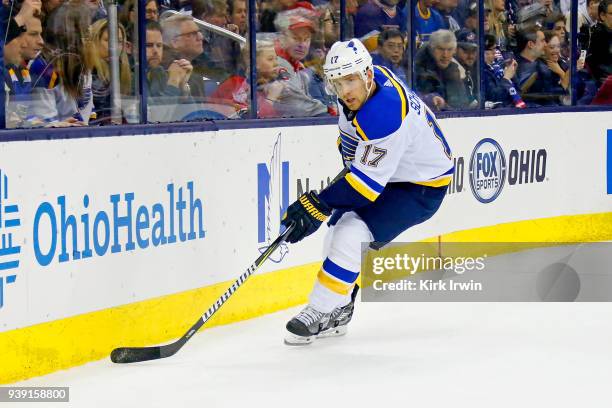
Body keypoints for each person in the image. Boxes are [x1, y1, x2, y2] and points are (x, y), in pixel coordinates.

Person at [281, 38, 453, 345]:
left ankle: (321, 309)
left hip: (421, 186)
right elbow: (354, 155)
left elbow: (363, 186)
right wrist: (324, 206)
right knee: (336, 229)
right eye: (337, 83)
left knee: (351, 232)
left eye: (351, 80)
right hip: (396, 173)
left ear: (367, 75)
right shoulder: (364, 91)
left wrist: (319, 202)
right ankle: (339, 309)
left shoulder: (383, 112)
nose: (345, 91)